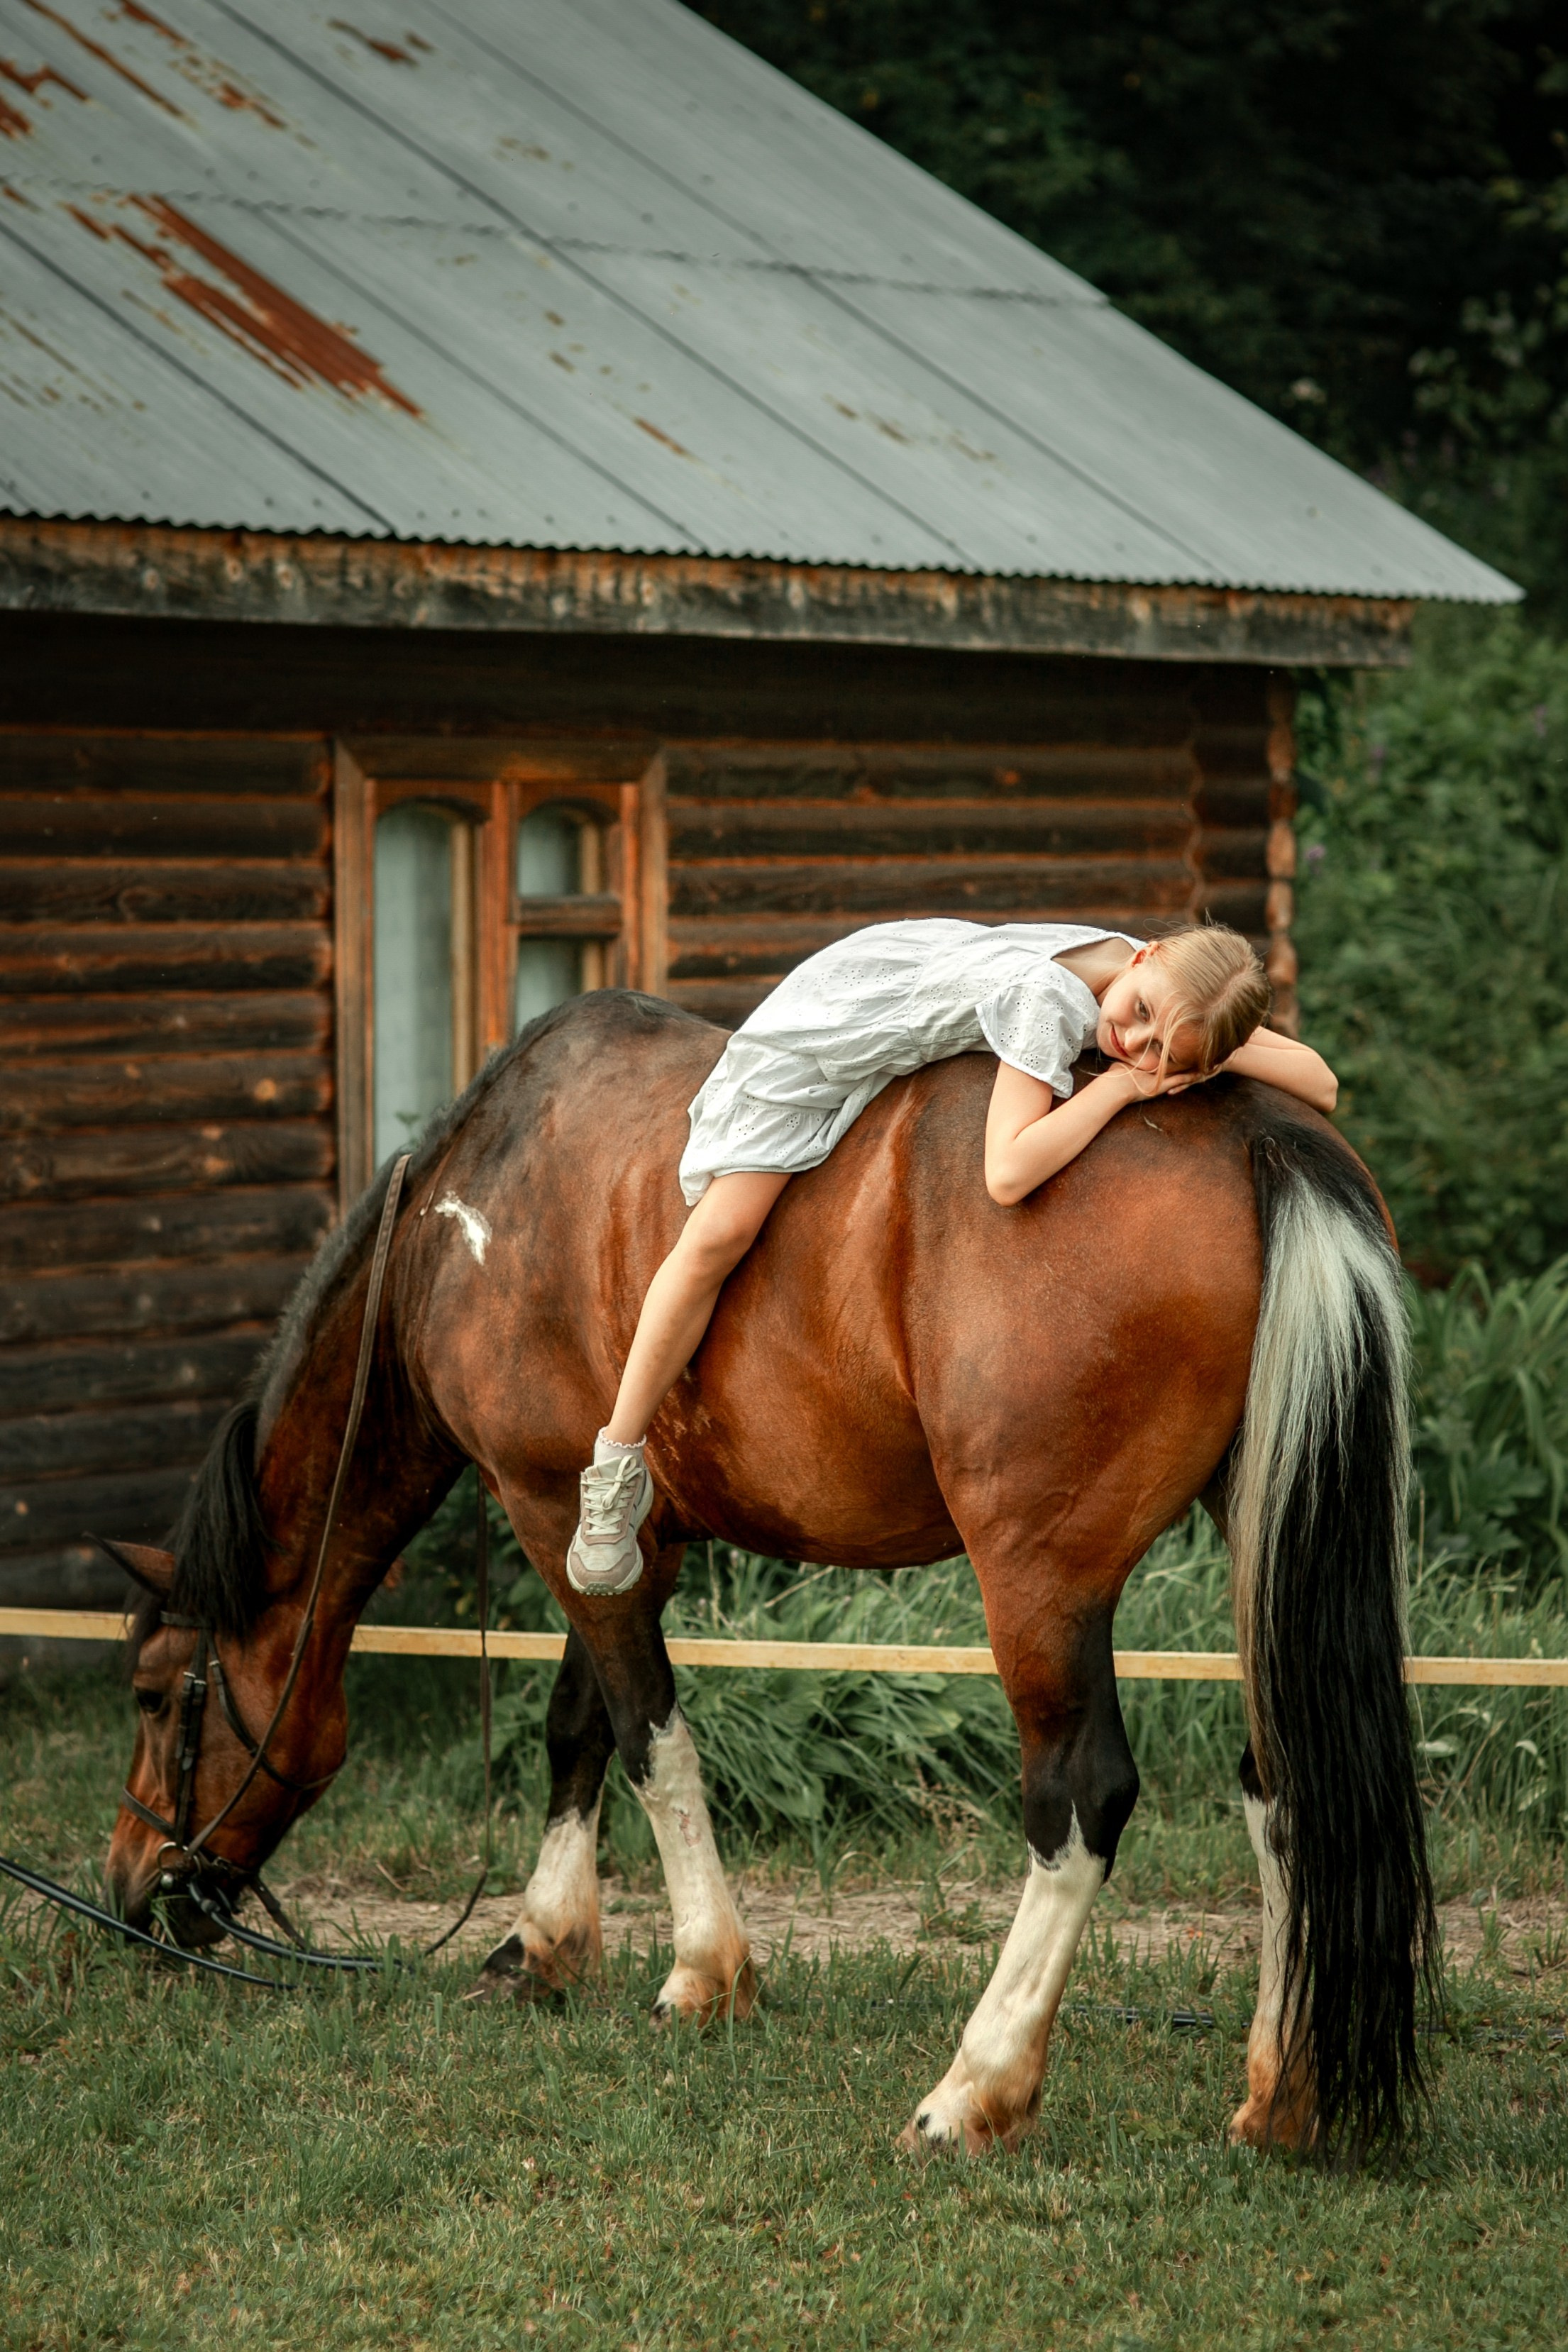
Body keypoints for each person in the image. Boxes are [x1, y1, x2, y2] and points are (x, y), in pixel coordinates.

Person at [565, 917, 1337, 1596]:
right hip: (834, 1026)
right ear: (1149, 955)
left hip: (919, 972)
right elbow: (1006, 1173)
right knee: (718, 1235)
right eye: (1140, 1019)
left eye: (1160, 1048)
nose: (1131, 1045)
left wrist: (1205, 1055)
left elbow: (1321, 1084)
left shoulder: (1167, 979)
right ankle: (618, 1457)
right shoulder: (1051, 1002)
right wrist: (1119, 1093)